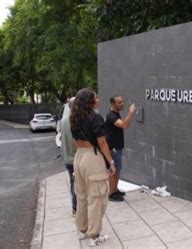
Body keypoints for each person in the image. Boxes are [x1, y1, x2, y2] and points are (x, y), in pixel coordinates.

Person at [70, 88, 116, 247]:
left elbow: (75, 141)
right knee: (97, 197)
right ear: (90, 101)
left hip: (79, 156)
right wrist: (110, 162)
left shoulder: (74, 118)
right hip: (92, 157)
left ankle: (82, 228)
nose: (99, 99)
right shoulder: (95, 118)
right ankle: (94, 235)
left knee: (82, 196)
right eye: (96, 97)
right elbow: (102, 143)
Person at [105, 95, 136, 202]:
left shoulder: (115, 114)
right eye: (119, 102)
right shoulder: (111, 116)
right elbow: (123, 125)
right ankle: (111, 193)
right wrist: (131, 113)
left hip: (117, 146)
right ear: (113, 104)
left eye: (122, 102)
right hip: (113, 148)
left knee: (118, 169)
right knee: (113, 170)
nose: (122, 104)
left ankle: (115, 190)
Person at [60, 97, 77, 215]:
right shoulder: (73, 121)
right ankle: (77, 207)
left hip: (67, 158)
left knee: (73, 182)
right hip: (75, 158)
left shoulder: (63, 120)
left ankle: (75, 207)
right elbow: (75, 142)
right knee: (77, 184)